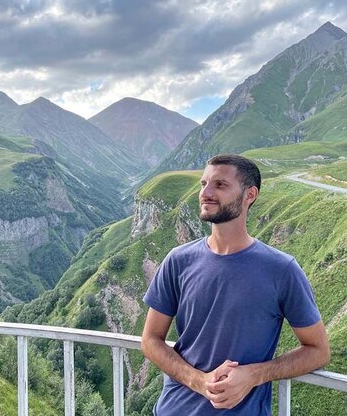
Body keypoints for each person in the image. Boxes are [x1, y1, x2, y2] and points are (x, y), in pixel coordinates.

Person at [141, 154, 330, 415]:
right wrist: (199, 381)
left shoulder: (282, 270)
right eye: (203, 184)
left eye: (220, 185)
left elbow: (318, 351)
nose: (205, 193)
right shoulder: (178, 260)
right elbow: (151, 339)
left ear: (249, 195)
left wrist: (254, 375)